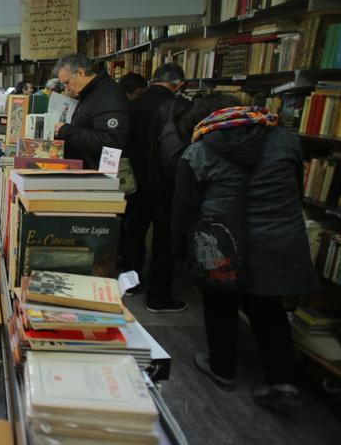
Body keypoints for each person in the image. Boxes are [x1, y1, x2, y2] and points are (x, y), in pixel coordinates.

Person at [172, 106, 317, 409]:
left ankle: (222, 368)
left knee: (220, 302)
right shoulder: (284, 140)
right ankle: (281, 379)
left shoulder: (198, 151)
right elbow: (296, 190)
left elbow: (184, 207)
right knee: (268, 305)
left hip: (222, 235)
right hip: (277, 234)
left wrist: (183, 246)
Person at [120, 63, 186, 311]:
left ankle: (131, 282)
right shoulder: (175, 106)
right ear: (178, 83)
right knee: (163, 239)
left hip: (134, 179)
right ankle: (158, 296)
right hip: (164, 182)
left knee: (134, 231)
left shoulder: (134, 101)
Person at [53, 53, 129, 169]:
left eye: (67, 82)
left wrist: (66, 131)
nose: (66, 88)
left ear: (81, 73)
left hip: (101, 175)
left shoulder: (108, 94)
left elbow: (112, 141)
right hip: (89, 171)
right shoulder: (89, 93)